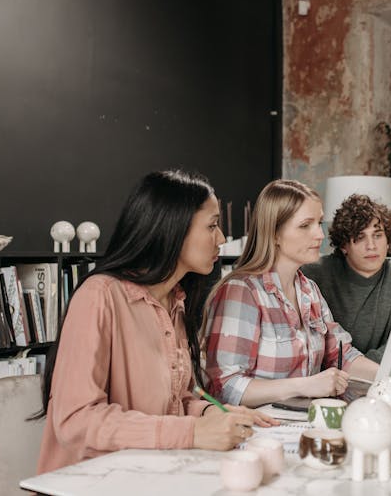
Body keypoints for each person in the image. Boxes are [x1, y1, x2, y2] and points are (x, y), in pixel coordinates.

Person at [36, 170, 277, 474]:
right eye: (213, 226)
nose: (221, 238)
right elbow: (75, 421)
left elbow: (175, 402)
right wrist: (193, 433)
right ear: (171, 229)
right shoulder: (99, 297)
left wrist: (210, 415)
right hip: (90, 480)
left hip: (151, 474)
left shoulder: (175, 302)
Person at [203, 180, 380, 407]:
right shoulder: (241, 292)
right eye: (305, 225)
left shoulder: (309, 290)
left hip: (302, 428)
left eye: (319, 223)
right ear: (275, 233)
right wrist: (304, 386)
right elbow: (224, 387)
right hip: (258, 434)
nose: (319, 235)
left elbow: (341, 354)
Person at [301, 194, 391, 363]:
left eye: (378, 235)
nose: (371, 246)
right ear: (344, 245)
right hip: (331, 380)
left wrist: (361, 369)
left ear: (388, 241)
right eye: (360, 237)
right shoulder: (316, 273)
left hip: (375, 377)